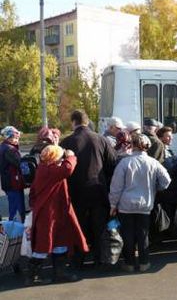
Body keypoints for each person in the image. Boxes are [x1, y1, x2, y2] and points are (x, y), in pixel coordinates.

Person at [61, 109, 116, 266]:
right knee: (99, 225)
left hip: (76, 192)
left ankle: (78, 260)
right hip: (98, 190)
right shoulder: (101, 139)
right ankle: (99, 258)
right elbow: (112, 163)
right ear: (87, 122)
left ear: (74, 122)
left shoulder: (66, 142)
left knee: (79, 226)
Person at [109, 133, 171, 272]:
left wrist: (113, 205)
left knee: (127, 235)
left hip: (126, 205)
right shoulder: (153, 162)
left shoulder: (124, 163)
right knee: (143, 234)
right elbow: (166, 181)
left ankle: (129, 263)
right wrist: (156, 188)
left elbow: (116, 186)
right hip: (145, 204)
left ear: (132, 145)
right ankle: (144, 263)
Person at [27, 145, 88, 284]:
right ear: (54, 158)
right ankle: (32, 276)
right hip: (49, 213)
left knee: (59, 242)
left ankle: (58, 274)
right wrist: (71, 156)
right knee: (44, 244)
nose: (62, 159)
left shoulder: (43, 169)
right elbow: (68, 169)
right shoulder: (50, 170)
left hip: (53, 211)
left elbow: (32, 193)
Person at [0, 126, 25, 222]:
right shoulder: (10, 149)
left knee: (13, 207)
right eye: (16, 137)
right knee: (17, 210)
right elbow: (19, 163)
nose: (18, 139)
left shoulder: (3, 147)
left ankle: (13, 232)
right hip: (13, 182)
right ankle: (16, 233)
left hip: (8, 182)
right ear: (9, 137)